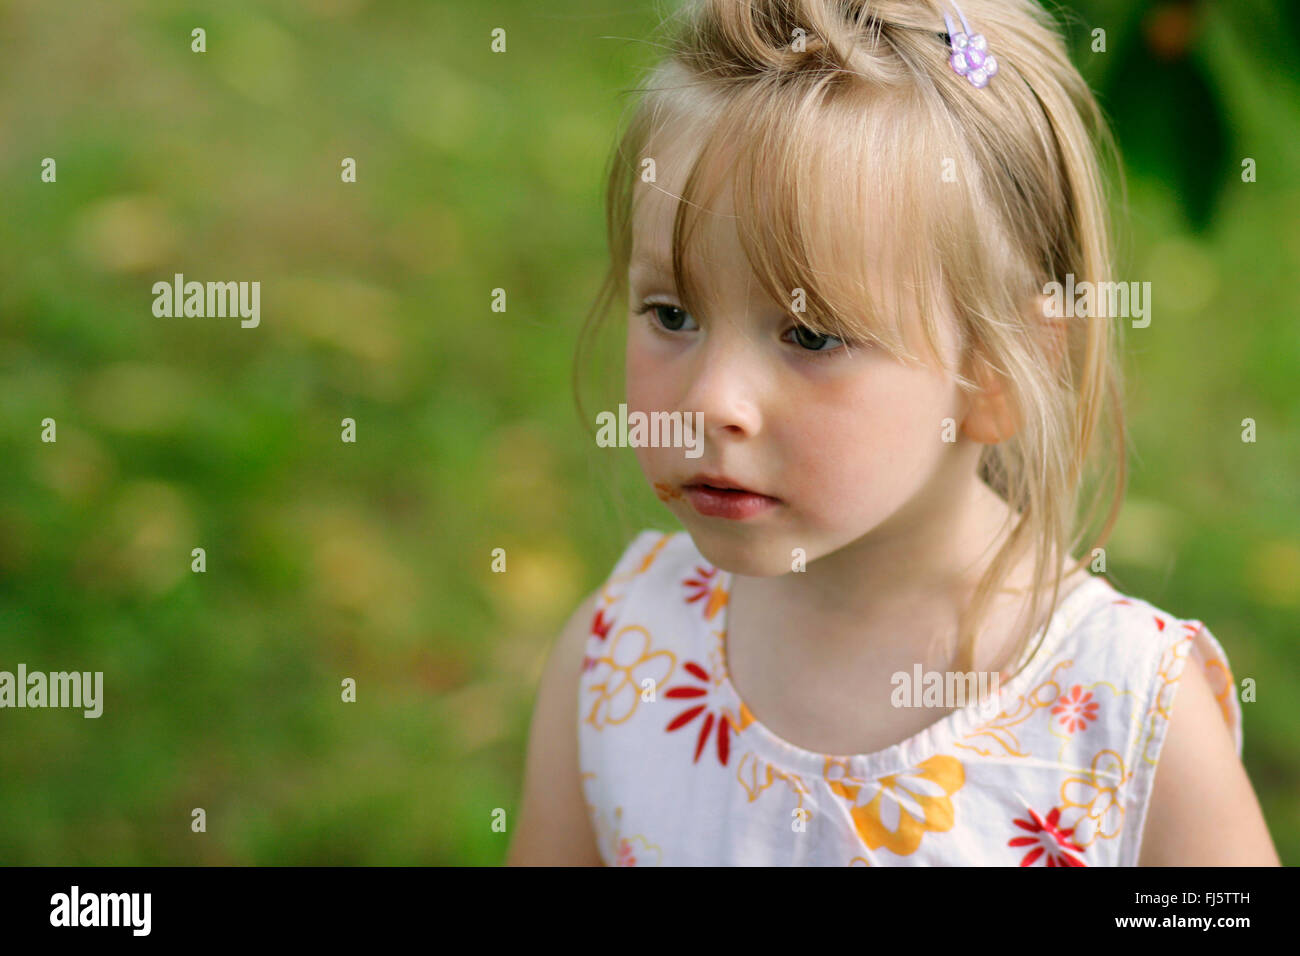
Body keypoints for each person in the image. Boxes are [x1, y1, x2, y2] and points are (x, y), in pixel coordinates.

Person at [507, 0, 1279, 865]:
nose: (714, 398)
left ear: (996, 372)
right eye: (672, 312)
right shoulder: (623, 658)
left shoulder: (1127, 722)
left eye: (810, 336)